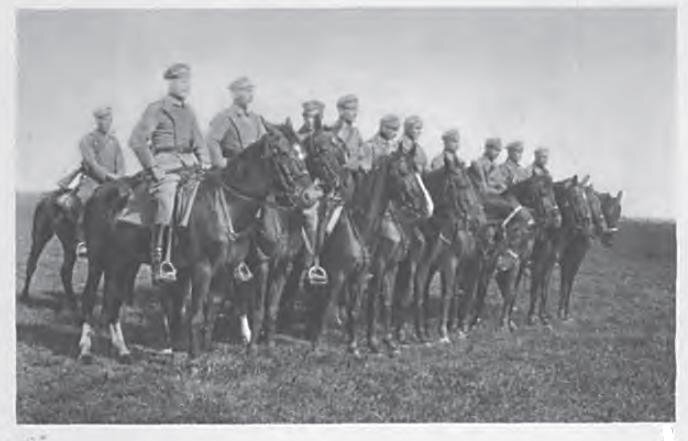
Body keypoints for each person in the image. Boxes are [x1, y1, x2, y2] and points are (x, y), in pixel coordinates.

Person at [129, 63, 212, 284]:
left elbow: (199, 142)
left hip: (190, 165)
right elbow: (137, 141)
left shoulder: (189, 112)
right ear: (171, 83)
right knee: (166, 200)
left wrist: (206, 162)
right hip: (165, 164)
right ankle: (160, 259)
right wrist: (153, 168)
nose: (186, 86)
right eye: (181, 81)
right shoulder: (157, 109)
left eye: (188, 81)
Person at [59, 106, 126, 258]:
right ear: (96, 120)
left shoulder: (114, 142)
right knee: (84, 200)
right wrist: (108, 176)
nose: (104, 122)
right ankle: (81, 240)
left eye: (107, 119)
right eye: (101, 119)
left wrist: (120, 176)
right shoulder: (86, 140)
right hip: (92, 180)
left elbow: (121, 163)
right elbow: (92, 164)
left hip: (113, 182)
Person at [206, 76, 267, 167]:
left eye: (251, 90)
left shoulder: (256, 118)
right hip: (233, 167)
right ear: (235, 94)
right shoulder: (225, 117)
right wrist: (220, 162)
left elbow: (263, 141)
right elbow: (212, 140)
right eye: (246, 90)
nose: (251, 94)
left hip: (254, 167)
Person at [331, 94, 364, 168]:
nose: (355, 113)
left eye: (356, 109)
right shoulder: (333, 131)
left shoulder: (356, 132)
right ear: (341, 111)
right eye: (351, 109)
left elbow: (361, 155)